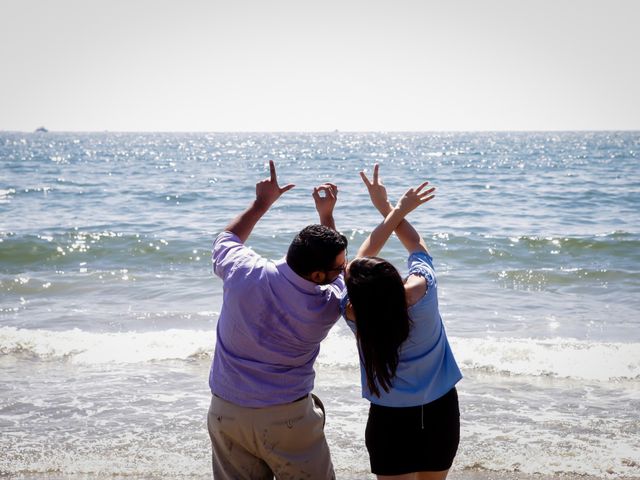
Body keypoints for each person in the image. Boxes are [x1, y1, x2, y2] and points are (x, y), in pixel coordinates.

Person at [207, 160, 347, 480]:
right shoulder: (326, 306)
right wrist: (327, 216)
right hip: (286, 421)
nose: (342, 271)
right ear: (317, 275)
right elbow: (346, 280)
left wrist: (261, 203)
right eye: (337, 267)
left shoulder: (244, 271)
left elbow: (225, 239)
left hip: (226, 412)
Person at [341, 164, 462, 480]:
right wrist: (389, 206)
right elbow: (417, 247)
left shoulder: (353, 310)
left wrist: (393, 211)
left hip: (388, 420)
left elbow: (355, 264)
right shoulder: (423, 288)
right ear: (393, 276)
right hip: (440, 411)